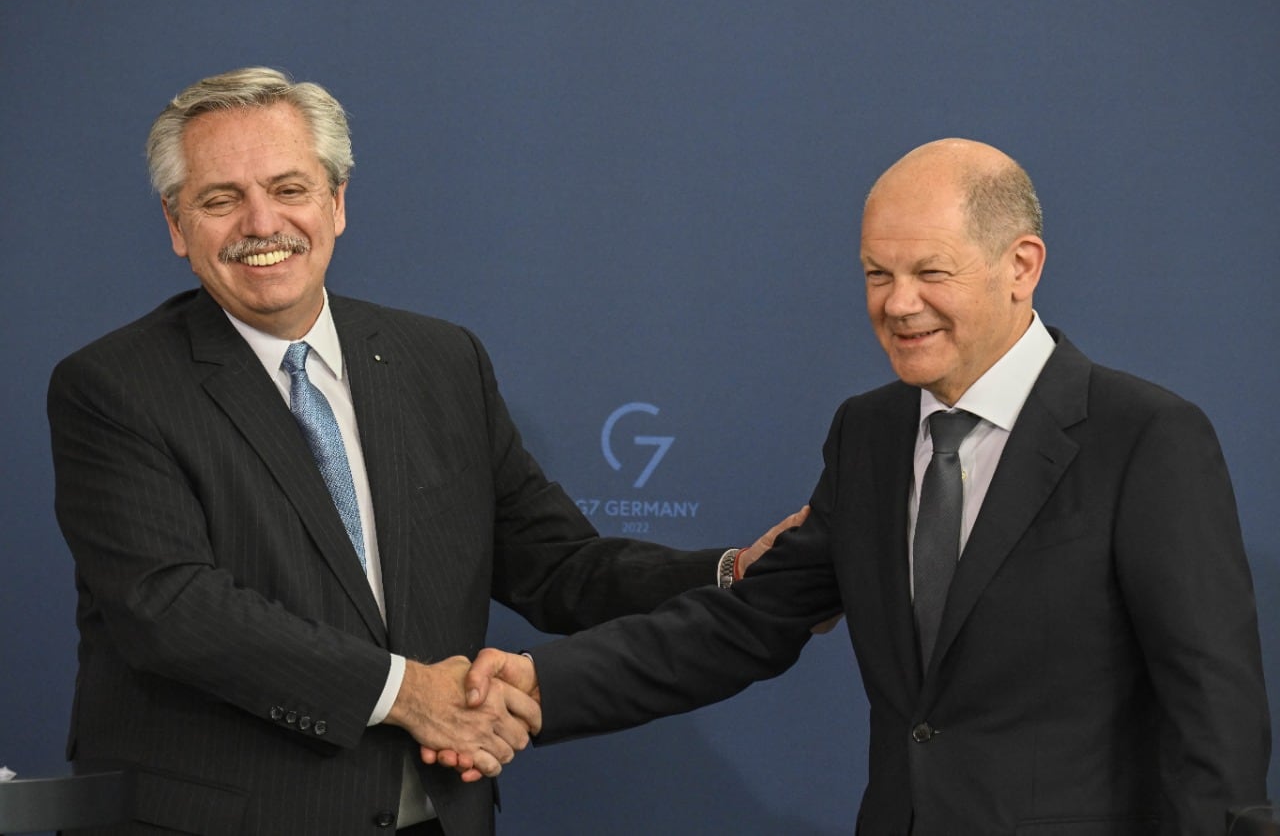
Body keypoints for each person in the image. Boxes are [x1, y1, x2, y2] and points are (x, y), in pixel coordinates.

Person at [46, 66, 801, 836]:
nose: (260, 222)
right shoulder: (114, 388)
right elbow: (174, 611)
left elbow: (558, 564)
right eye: (220, 199)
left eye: (289, 188)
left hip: (433, 815)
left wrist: (731, 573)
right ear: (177, 226)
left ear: (337, 203)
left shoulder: (440, 361)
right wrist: (408, 692)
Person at [461, 138, 1272, 834]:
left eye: (929, 272)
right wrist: (542, 685)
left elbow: (1215, 711)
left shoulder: (1144, 436)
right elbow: (747, 622)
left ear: (1021, 266)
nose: (898, 304)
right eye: (876, 273)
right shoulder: (870, 433)